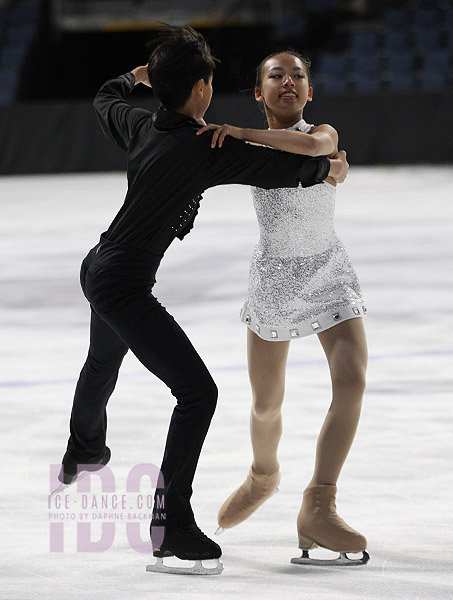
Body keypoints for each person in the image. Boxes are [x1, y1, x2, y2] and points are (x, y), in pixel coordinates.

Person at [53, 27, 348, 576]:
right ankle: (169, 527)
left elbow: (105, 98)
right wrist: (328, 168)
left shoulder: (142, 123)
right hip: (121, 282)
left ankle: (85, 449)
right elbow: (283, 168)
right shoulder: (204, 148)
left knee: (103, 361)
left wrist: (133, 78)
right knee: (197, 393)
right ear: (201, 90)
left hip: (99, 265)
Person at [198, 51, 369, 566]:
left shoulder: (323, 133)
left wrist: (245, 133)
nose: (288, 82)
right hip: (275, 279)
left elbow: (313, 147)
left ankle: (319, 501)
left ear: (310, 91)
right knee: (267, 403)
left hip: (328, 270)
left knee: (353, 380)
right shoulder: (248, 151)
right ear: (259, 92)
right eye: (276, 75)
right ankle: (263, 474)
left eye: (298, 76)